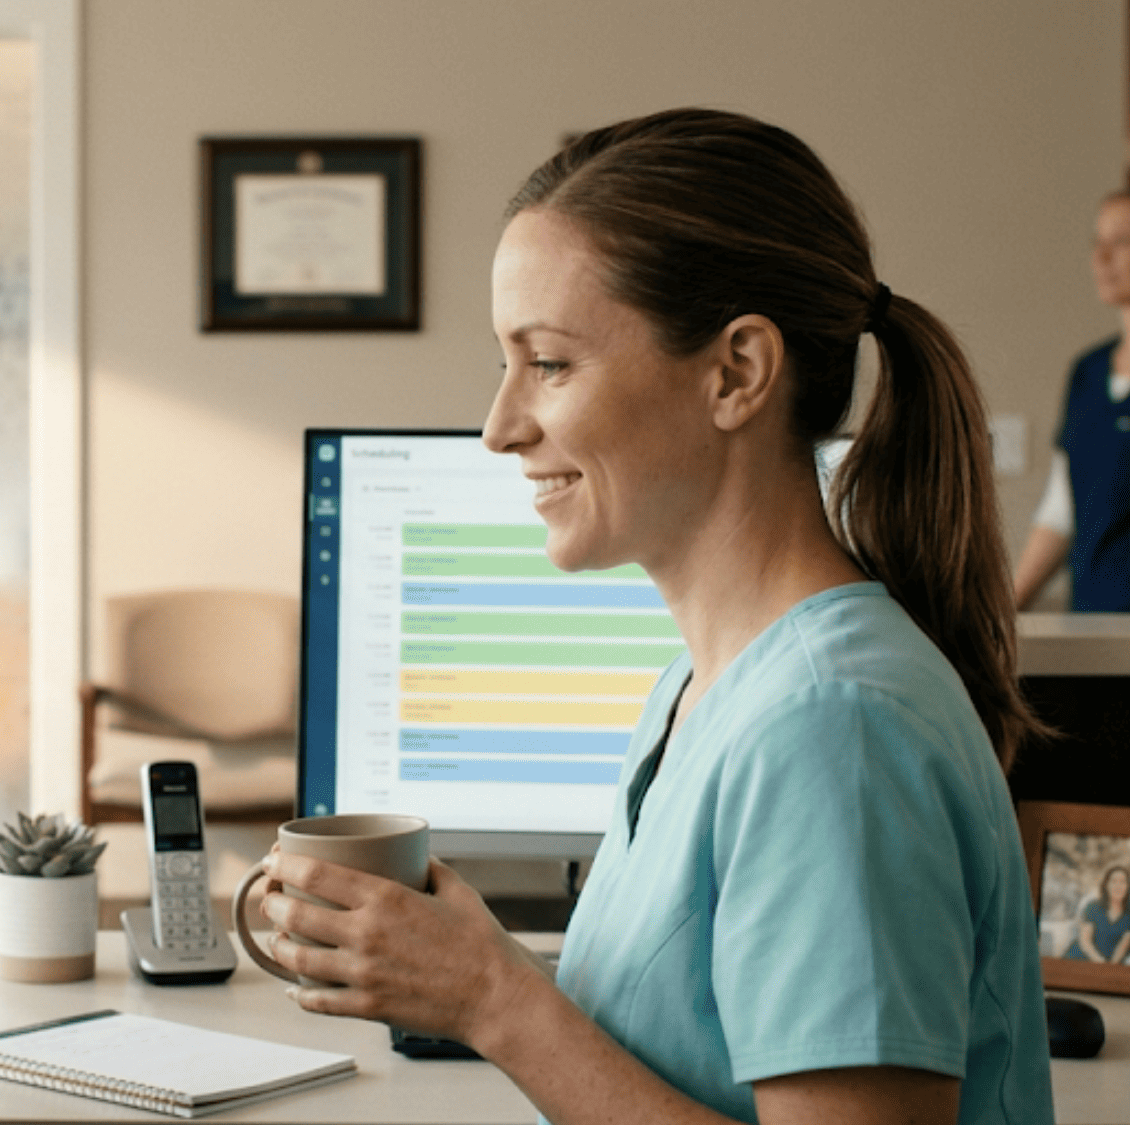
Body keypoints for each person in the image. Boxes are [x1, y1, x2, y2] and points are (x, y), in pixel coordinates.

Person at [258, 108, 1054, 1125]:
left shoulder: (829, 725)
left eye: (545, 363)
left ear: (735, 373)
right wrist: (476, 972)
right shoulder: (703, 687)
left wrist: (492, 1000)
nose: (498, 426)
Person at [1012, 191, 1130, 612]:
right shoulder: (1088, 372)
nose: (1101, 258)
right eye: (1096, 242)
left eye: (1122, 241)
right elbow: (1062, 509)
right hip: (1092, 629)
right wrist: (1008, 608)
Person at [1063, 864, 1130, 963]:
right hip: (1080, 958)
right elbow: (1085, 941)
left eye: (1122, 882)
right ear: (1106, 885)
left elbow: (1123, 947)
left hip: (1109, 965)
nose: (1118, 886)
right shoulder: (1093, 907)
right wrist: (1100, 963)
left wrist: (1109, 968)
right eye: (1113, 881)